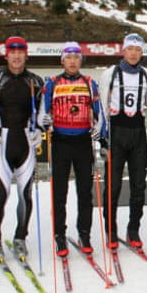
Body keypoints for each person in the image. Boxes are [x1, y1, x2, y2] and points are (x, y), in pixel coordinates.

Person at [37, 41, 102, 257]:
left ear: (80, 60)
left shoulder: (89, 82)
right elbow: (41, 114)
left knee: (85, 191)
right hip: (61, 141)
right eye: (69, 57)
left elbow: (100, 113)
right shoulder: (52, 83)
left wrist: (99, 127)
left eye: (76, 58)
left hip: (83, 141)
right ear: (62, 60)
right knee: (60, 192)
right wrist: (44, 120)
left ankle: (84, 233)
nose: (73, 61)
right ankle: (60, 236)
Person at [0, 36, 44, 259]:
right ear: (6, 54)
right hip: (3, 141)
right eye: (12, 51)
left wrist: (39, 129)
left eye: (21, 52)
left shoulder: (35, 81)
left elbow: (41, 111)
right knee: (0, 195)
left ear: (26, 54)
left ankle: (20, 237)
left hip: (26, 142)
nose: (17, 56)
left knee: (25, 195)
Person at [98, 33, 147, 248]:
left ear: (142, 52)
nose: (133, 53)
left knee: (138, 186)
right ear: (123, 51)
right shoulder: (110, 74)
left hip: (138, 134)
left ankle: (133, 230)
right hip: (116, 132)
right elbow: (102, 109)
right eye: (130, 49)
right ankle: (110, 230)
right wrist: (101, 138)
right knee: (112, 187)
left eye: (138, 49)